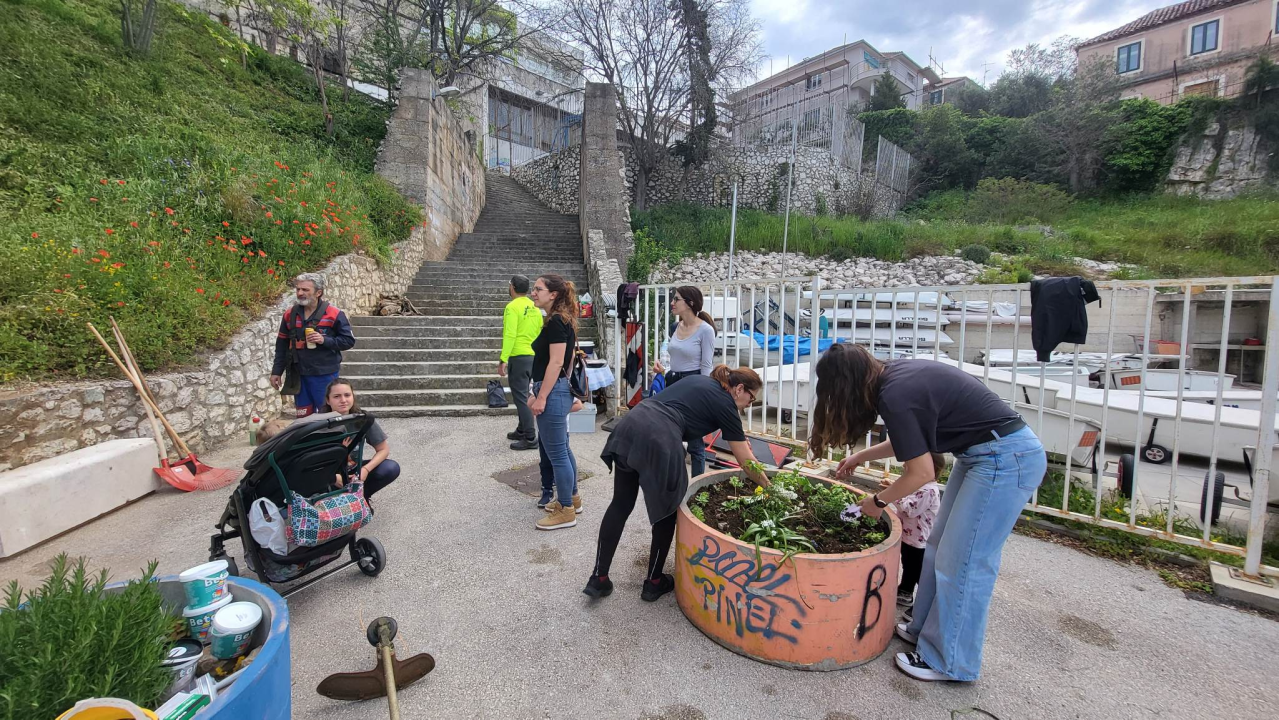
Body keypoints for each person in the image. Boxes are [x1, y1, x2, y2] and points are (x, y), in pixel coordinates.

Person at [809, 343, 1046, 683]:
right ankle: (923, 629)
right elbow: (911, 438)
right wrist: (861, 457)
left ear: (843, 383)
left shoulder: (895, 394)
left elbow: (921, 473)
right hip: (982, 454)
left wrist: (876, 503)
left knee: (965, 562)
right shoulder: (894, 378)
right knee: (938, 547)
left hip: (1004, 459)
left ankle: (949, 661)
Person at [585, 366, 770, 602]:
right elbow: (746, 461)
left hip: (630, 426)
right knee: (667, 511)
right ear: (739, 389)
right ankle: (653, 582)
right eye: (751, 399)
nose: (748, 405)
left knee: (620, 504)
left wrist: (740, 438)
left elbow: (694, 413)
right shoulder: (726, 403)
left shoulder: (702, 383)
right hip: (659, 436)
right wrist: (769, 487)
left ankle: (598, 578)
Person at [528, 274, 581, 531]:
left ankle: (565, 510)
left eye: (538, 289)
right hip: (556, 390)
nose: (533, 293)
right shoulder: (559, 320)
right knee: (563, 450)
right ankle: (572, 498)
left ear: (554, 294)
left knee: (557, 453)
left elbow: (557, 362)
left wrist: (541, 397)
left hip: (552, 391)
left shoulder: (557, 322)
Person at [652, 285, 718, 476]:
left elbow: (706, 367)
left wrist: (704, 396)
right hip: (673, 383)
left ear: (689, 303)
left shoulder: (705, 330)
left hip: (694, 385)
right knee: (670, 437)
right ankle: (673, 485)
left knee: (696, 445)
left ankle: (696, 489)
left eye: (676, 299)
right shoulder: (675, 327)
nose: (672, 303)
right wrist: (664, 371)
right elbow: (676, 360)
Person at [270, 273, 356, 417]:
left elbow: (348, 341)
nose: (300, 293)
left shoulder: (334, 314)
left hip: (325, 375)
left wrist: (324, 340)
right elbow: (282, 346)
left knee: (328, 415)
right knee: (304, 417)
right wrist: (276, 371)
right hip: (299, 374)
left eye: (305, 290)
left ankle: (333, 439)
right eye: (298, 289)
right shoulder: (289, 315)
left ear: (318, 292)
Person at [320, 378, 400, 504]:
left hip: (353, 470)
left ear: (353, 396)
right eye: (336, 396)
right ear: (327, 400)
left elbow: (383, 449)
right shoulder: (318, 425)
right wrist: (333, 478)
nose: (343, 400)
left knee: (390, 468)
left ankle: (361, 498)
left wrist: (365, 470)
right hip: (327, 475)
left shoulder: (363, 419)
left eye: (347, 395)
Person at [881, 452, 944, 610]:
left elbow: (910, 509)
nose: (904, 466)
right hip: (909, 535)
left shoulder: (929, 490)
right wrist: (893, 488)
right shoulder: (918, 485)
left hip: (918, 540)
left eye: (909, 463)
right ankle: (905, 591)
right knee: (908, 564)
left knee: (916, 570)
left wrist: (890, 495)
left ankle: (922, 603)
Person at [500, 275, 542, 450]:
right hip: (534, 356)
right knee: (525, 395)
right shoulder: (535, 308)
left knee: (521, 398)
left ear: (512, 287)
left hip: (519, 356)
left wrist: (503, 358)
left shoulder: (512, 308)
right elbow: (540, 329)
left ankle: (530, 437)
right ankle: (521, 428)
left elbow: (510, 334)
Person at [536, 397, 583, 509]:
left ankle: (565, 503)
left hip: (555, 427)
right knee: (561, 457)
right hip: (549, 426)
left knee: (559, 459)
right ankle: (570, 497)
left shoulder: (558, 383)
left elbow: (578, 405)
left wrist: (555, 411)